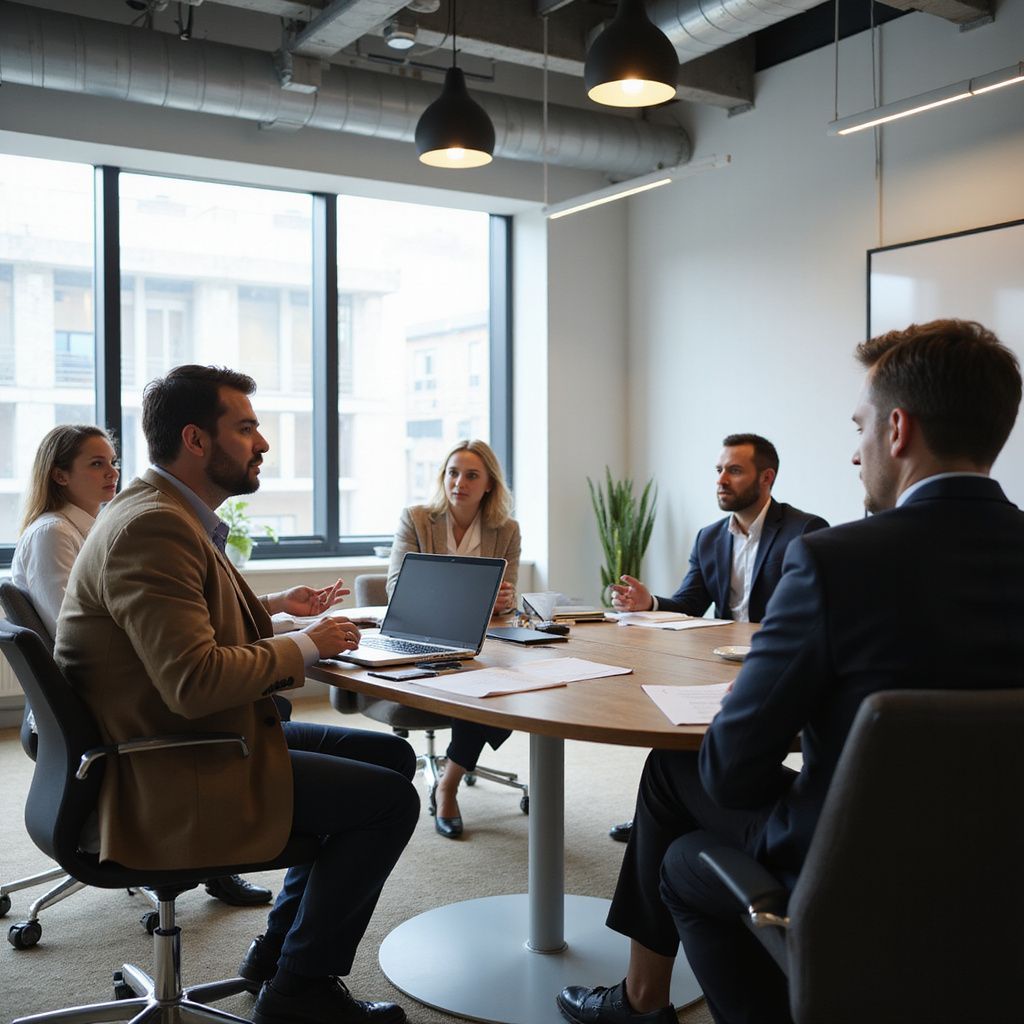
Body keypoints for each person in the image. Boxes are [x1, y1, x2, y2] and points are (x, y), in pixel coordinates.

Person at [557, 319, 1024, 1024]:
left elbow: (731, 772)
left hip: (856, 867)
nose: (854, 452)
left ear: (898, 431)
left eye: (859, 426)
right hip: (1002, 873)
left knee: (676, 812)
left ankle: (641, 1001)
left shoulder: (834, 559)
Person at [56, 365, 419, 1024]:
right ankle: (300, 991)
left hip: (178, 736)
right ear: (196, 440)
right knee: (389, 801)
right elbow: (194, 682)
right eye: (246, 427)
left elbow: (194, 619)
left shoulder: (159, 512)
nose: (264, 443)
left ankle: (276, 958)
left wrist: (283, 617)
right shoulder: (153, 527)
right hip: (169, 765)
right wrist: (312, 646)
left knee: (390, 759)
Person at [12, 423, 272, 908]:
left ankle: (219, 853)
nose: (112, 472)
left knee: (241, 688)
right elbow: (72, 630)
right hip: (91, 706)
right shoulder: (53, 533)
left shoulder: (96, 523)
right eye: (96, 463)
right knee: (236, 698)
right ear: (60, 476)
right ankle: (221, 849)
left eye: (113, 461)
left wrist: (269, 608)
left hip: (91, 698)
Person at [606, 434, 828, 843]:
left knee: (726, 748)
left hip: (771, 668)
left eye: (734, 470)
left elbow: (808, 614)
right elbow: (691, 601)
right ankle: (674, 808)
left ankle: (706, 811)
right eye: (719, 470)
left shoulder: (804, 529)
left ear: (767, 478)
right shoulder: (709, 537)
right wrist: (649, 601)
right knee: (667, 719)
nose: (721, 479)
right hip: (716, 661)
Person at [386, 438, 520, 839]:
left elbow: (506, 603)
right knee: (474, 687)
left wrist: (506, 599)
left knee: (510, 687)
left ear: (489, 485)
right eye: (452, 472)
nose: (459, 482)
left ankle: (451, 773)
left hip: (480, 640)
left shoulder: (506, 530)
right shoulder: (417, 518)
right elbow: (396, 587)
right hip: (426, 638)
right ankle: (448, 788)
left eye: (471, 475)